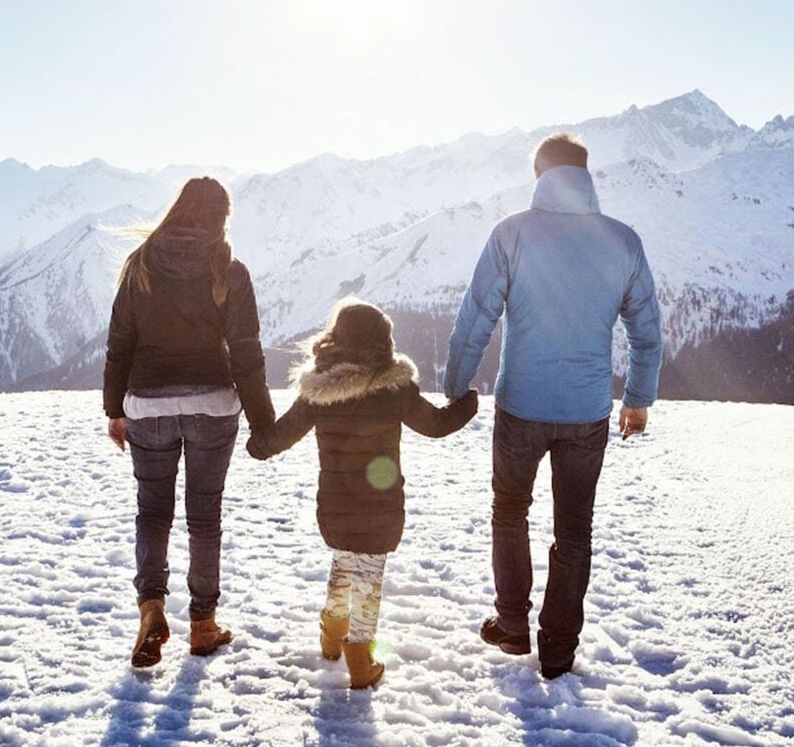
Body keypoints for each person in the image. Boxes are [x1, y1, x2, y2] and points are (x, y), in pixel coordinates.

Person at [442, 132, 663, 679]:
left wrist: (455, 386)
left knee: (510, 510)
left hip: (519, 405)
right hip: (587, 412)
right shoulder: (623, 241)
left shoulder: (511, 233)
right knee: (575, 530)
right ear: (586, 174)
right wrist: (636, 401)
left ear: (539, 174)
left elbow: (476, 317)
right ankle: (559, 648)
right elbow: (647, 334)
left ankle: (512, 625)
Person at [247, 299, 478, 689]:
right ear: (382, 342)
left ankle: (331, 635)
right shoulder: (395, 389)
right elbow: (436, 425)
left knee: (342, 563)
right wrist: (467, 405)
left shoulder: (318, 392)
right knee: (369, 577)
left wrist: (258, 445)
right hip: (381, 505)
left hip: (335, 504)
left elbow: (279, 436)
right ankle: (360, 658)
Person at [104, 176, 275, 668]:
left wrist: (115, 409)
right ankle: (202, 624)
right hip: (213, 406)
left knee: (153, 511)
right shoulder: (230, 270)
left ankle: (152, 607)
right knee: (205, 517)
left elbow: (120, 345)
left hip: (148, 408)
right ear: (222, 217)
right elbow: (246, 355)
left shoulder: (140, 266)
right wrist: (263, 422)